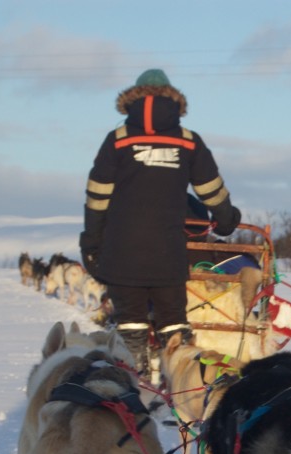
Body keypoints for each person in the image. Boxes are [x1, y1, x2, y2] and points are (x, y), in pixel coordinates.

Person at [79, 68, 241, 376]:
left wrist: (91, 243)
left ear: (132, 100)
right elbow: (211, 189)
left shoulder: (118, 140)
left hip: (122, 253)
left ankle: (133, 391)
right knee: (174, 326)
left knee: (130, 326)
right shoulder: (188, 142)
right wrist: (226, 220)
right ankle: (180, 393)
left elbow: (97, 197)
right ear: (172, 98)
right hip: (168, 253)